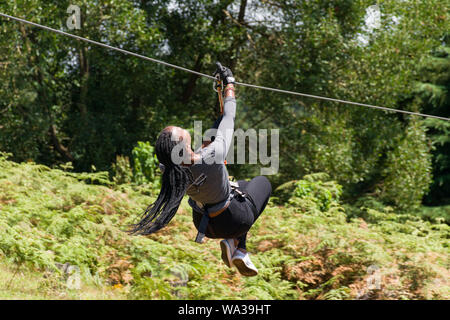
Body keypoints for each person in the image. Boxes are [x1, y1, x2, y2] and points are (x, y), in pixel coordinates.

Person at [129, 63, 272, 277]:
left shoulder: (170, 169)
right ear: (184, 147)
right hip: (233, 220)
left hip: (204, 223)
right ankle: (239, 247)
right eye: (186, 136)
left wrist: (220, 92)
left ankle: (240, 249)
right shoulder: (213, 155)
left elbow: (214, 131)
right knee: (263, 183)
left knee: (242, 186)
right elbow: (228, 118)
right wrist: (230, 85)